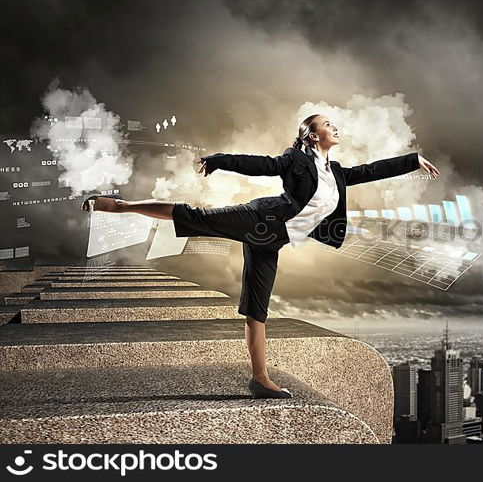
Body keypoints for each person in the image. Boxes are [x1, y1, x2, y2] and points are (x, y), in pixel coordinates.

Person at [81, 114, 440, 399]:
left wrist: (413, 161)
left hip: (273, 240)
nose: (334, 127)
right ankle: (121, 205)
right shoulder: (296, 160)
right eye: (327, 124)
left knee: (257, 307)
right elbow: (260, 165)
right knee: (197, 216)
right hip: (260, 219)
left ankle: (259, 380)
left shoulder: (337, 173)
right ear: (312, 136)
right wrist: (220, 160)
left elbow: (372, 170)